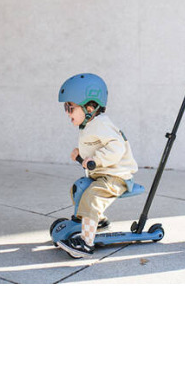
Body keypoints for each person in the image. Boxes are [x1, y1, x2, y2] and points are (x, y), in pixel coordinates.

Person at [56, 73, 138, 258]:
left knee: (92, 197)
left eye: (70, 107)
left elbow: (116, 148)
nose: (67, 112)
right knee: (78, 189)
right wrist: (81, 154)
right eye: (65, 108)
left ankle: (86, 243)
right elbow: (96, 145)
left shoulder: (101, 124)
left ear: (90, 107)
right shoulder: (90, 124)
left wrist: (96, 160)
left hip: (116, 176)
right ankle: (98, 221)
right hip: (102, 174)